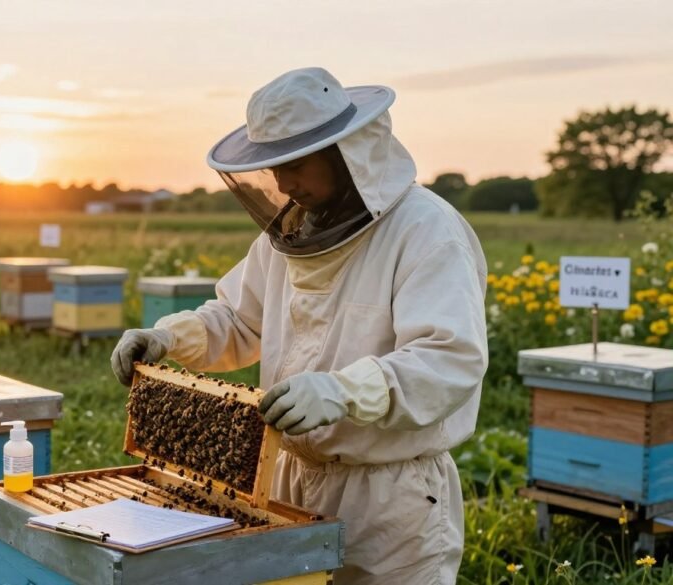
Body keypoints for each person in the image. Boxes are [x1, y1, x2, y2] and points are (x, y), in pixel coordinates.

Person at [111, 67, 487, 584]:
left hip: (388, 495)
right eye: (273, 166)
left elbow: (448, 358)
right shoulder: (288, 236)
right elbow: (238, 319)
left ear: (345, 152)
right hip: (285, 479)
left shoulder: (426, 232)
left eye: (296, 163)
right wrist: (169, 336)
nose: (284, 184)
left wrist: (343, 392)